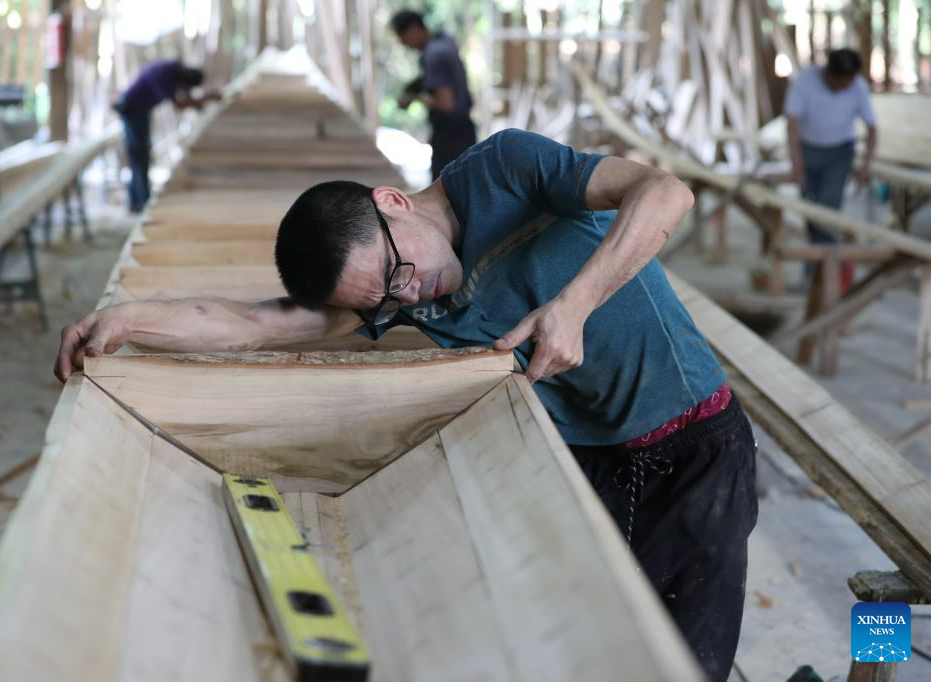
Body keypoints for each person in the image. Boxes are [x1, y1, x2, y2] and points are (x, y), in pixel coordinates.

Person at [55, 129, 757, 682]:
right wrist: (131, 318)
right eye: (384, 300)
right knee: (584, 650)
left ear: (392, 201)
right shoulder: (393, 296)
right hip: (580, 456)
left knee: (682, 662)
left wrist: (574, 305)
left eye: (399, 274)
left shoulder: (505, 168)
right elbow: (256, 324)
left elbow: (664, 193)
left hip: (693, 446)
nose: (409, 296)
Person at [785, 48, 878, 289]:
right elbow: (792, 125)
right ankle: (820, 276)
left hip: (839, 154)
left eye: (846, 84)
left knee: (827, 211)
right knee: (811, 213)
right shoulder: (805, 81)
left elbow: (872, 129)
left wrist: (866, 164)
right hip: (808, 151)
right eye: (838, 83)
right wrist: (796, 163)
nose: (842, 88)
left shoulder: (858, 88)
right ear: (828, 72)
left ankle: (824, 276)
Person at [113, 60, 222, 212]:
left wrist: (199, 100)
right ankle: (141, 201)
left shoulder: (172, 69)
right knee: (139, 155)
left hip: (140, 110)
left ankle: (138, 201)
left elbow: (183, 99)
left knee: (140, 155)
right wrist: (203, 99)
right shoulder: (165, 75)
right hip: (132, 109)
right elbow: (178, 104)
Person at [390, 10, 477, 180]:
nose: (404, 44)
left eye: (403, 38)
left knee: (443, 190)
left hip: (450, 138)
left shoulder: (433, 55)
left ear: (414, 30)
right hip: (464, 132)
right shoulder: (445, 41)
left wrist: (414, 98)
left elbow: (445, 104)